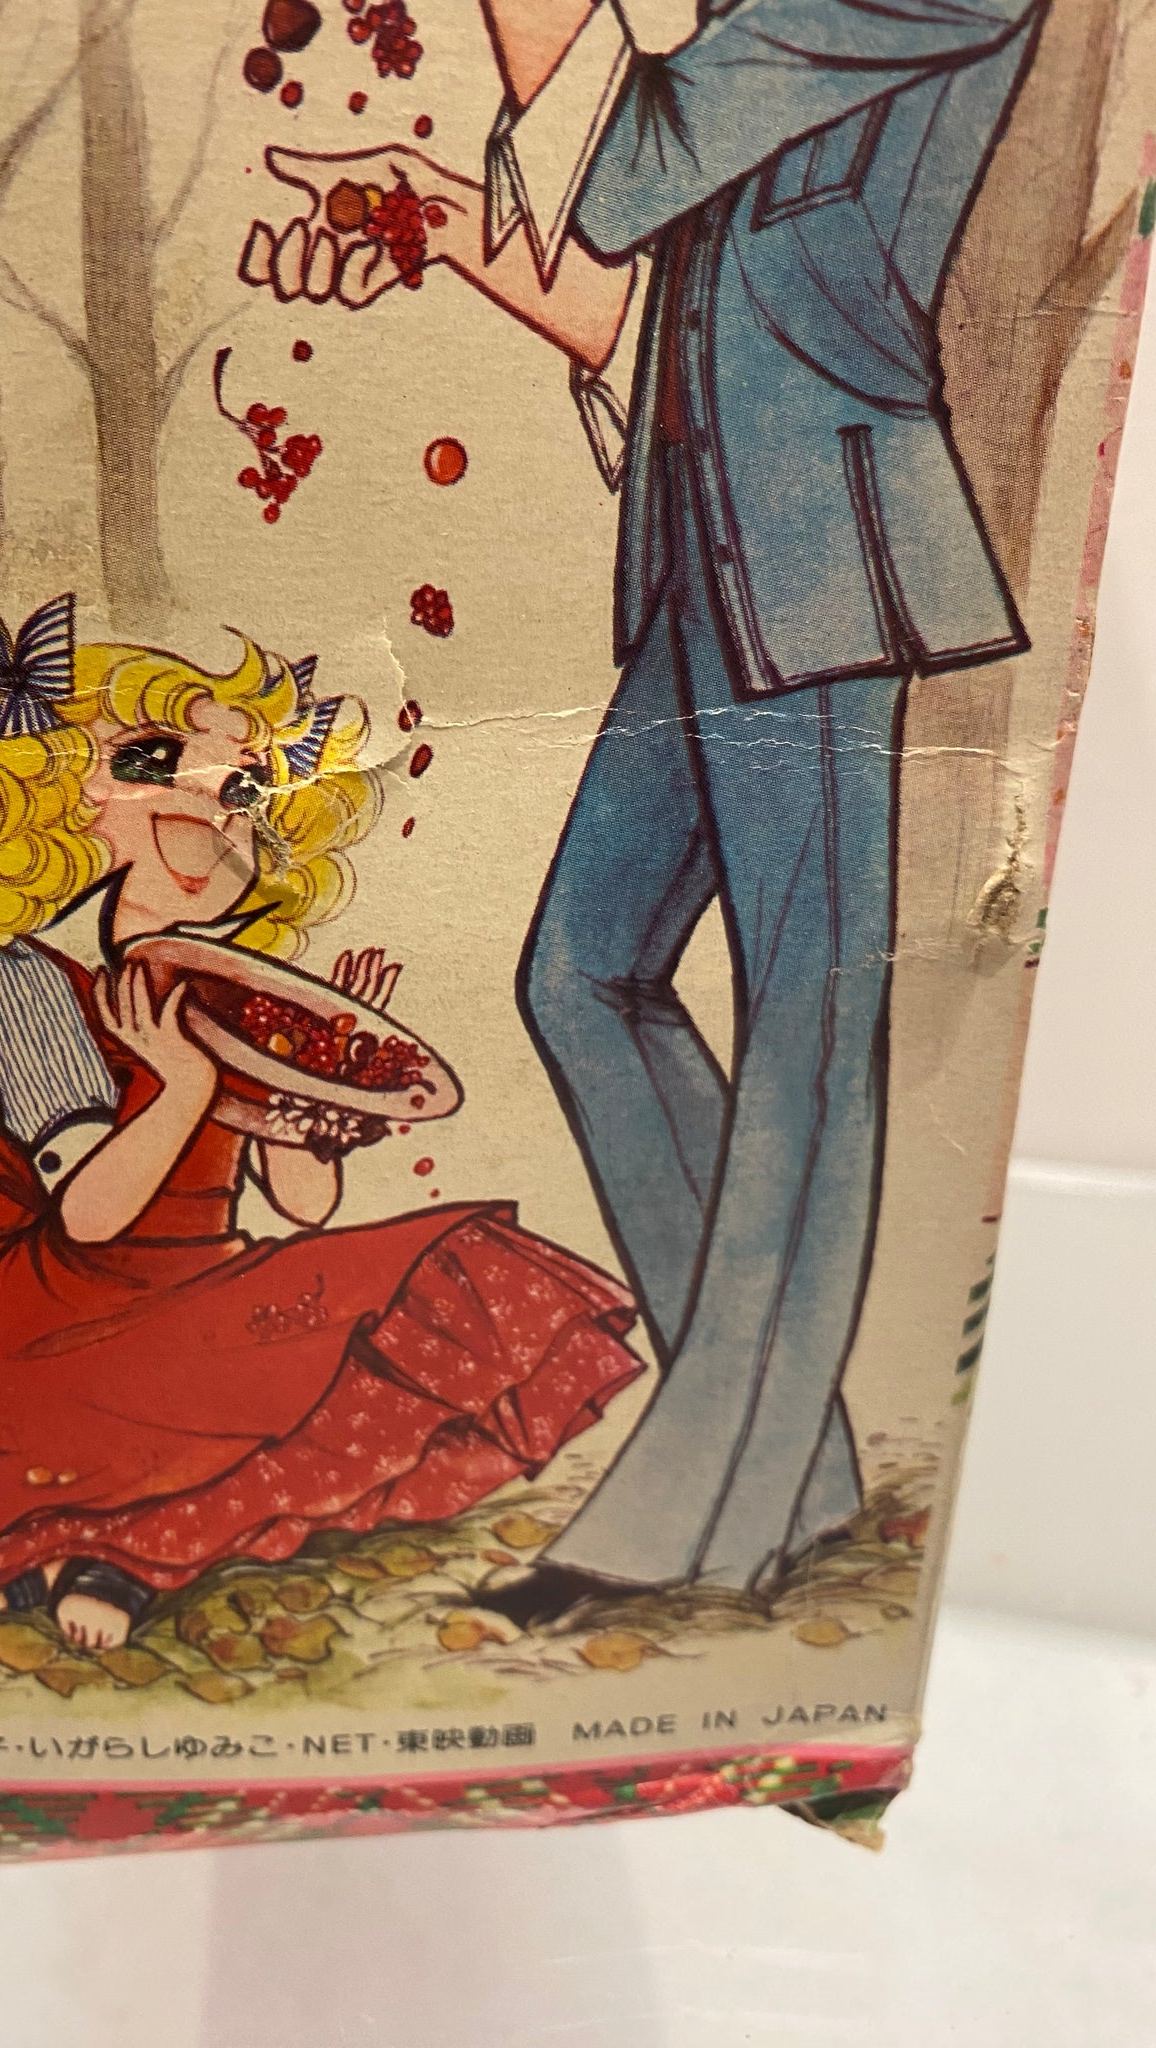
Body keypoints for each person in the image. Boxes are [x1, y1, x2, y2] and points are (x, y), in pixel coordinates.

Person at [243, 0, 1044, 1618]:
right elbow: (644, 280)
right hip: (707, 537)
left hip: (820, 552)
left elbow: (635, 159)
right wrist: (433, 212)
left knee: (806, 1026)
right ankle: (790, 1467)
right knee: (582, 975)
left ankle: (701, 1513)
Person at [0, 601, 640, 1652]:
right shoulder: (30, 980)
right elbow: (88, 1215)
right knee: (164, 1396)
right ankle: (89, 1562)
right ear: (43, 806)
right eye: (154, 763)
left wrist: (323, 1093)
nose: (215, 809)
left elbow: (303, 1207)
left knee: (452, 1266)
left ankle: (71, 1560)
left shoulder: (235, 987)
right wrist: (180, 1085)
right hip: (50, 1328)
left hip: (205, 1287)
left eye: (247, 787)